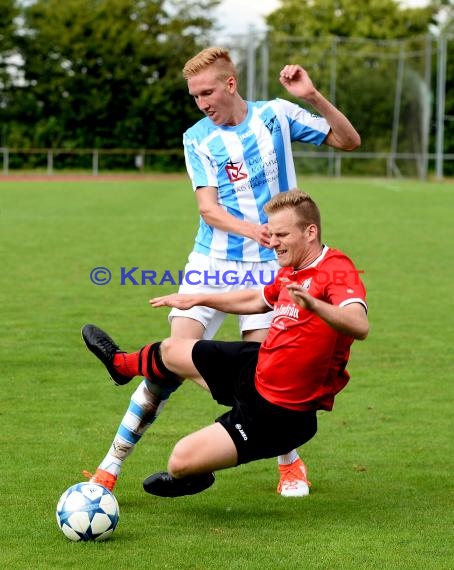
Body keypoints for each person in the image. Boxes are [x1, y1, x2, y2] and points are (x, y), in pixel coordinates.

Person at [84, 47, 361, 497]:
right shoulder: (197, 137)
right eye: (195, 96)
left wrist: (312, 95)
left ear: (230, 84)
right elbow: (209, 210)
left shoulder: (276, 114)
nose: (202, 102)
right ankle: (109, 467)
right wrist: (255, 230)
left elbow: (348, 141)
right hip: (213, 261)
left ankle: (288, 463)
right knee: (173, 355)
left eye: (207, 92)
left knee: (269, 373)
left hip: (271, 268)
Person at [82, 189, 368, 498]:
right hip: (256, 366)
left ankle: (195, 473)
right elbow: (257, 299)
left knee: (179, 460)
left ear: (310, 232)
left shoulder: (337, 269)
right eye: (271, 234)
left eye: (281, 234)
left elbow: (359, 324)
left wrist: (314, 306)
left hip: (281, 412)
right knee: (172, 348)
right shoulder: (291, 267)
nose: (272, 242)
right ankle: (121, 366)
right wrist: (198, 298)